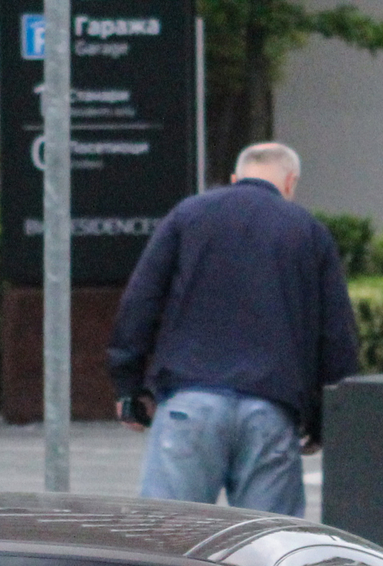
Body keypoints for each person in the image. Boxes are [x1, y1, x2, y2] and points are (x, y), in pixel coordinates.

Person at [105, 140, 360, 519]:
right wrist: (323, 422)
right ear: (290, 183)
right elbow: (336, 338)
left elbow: (140, 303)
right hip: (271, 412)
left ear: (234, 178)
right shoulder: (309, 232)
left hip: (188, 405)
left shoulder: (188, 215)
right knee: (269, 548)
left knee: (168, 540)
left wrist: (129, 388)